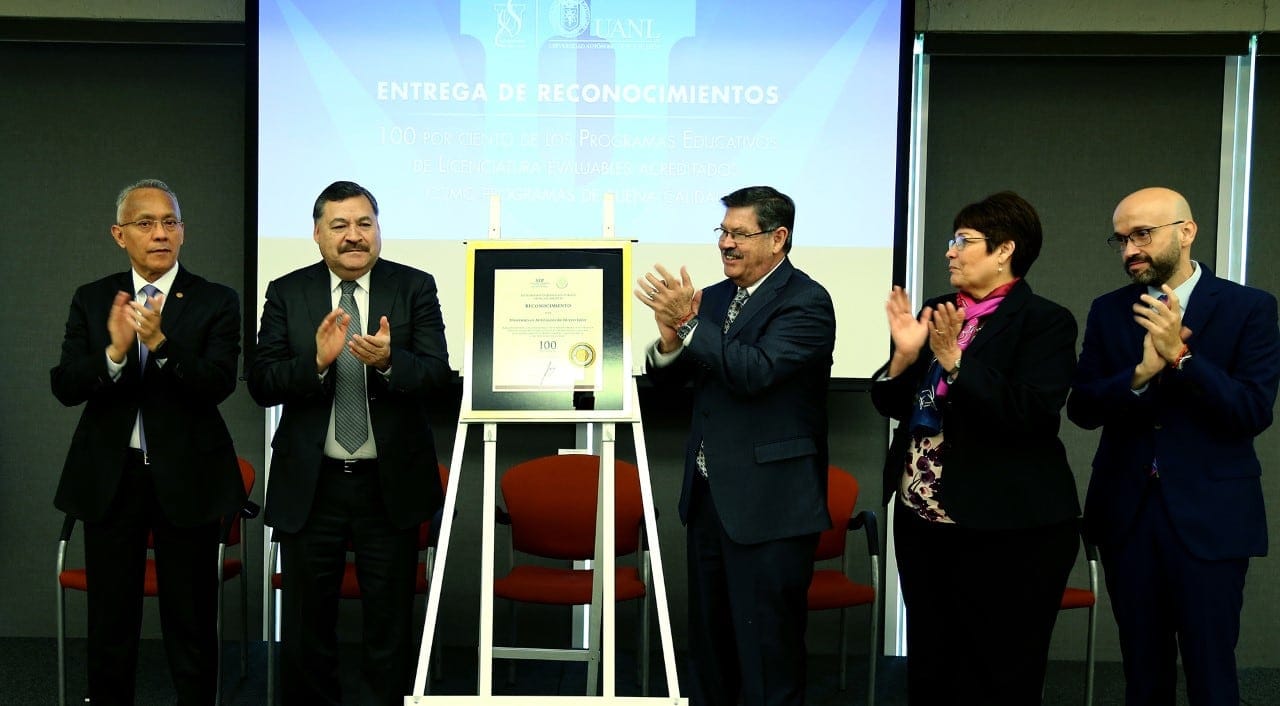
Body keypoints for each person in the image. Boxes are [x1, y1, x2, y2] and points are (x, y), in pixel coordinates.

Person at [1067, 186, 1280, 705]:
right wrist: (1139, 374)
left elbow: (1251, 411)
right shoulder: (1109, 310)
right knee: (1143, 673)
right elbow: (1083, 408)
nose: (1130, 250)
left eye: (1142, 234)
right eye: (1120, 240)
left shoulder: (1248, 308)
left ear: (1187, 232)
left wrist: (1182, 359)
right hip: (1128, 517)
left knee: (1212, 673)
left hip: (1212, 517)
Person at [871, 191, 1080, 704]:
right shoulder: (938, 313)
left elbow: (1031, 413)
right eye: (951, 240)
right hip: (924, 521)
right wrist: (903, 358)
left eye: (963, 241)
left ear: (1005, 250)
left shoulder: (1044, 321)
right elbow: (894, 403)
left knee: (999, 667)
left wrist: (956, 364)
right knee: (932, 660)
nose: (950, 252)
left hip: (1007, 526)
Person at [247, 181, 452, 705]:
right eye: (340, 226)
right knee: (306, 629)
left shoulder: (415, 287)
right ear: (317, 234)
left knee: (388, 627)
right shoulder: (287, 292)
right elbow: (262, 383)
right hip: (311, 489)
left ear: (378, 230)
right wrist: (314, 362)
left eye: (364, 224)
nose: (354, 236)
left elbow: (437, 378)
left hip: (389, 487)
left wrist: (388, 362)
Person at [635, 185, 834, 706]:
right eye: (722, 231)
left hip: (771, 503)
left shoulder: (806, 301)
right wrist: (669, 344)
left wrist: (688, 324)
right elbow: (671, 384)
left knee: (767, 656)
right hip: (708, 499)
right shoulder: (713, 297)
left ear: (778, 238)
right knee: (709, 650)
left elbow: (756, 373)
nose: (725, 244)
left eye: (739, 233)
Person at [51, 179, 245, 705]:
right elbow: (65, 385)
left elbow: (218, 383)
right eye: (146, 223)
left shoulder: (215, 300)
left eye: (171, 222)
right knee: (111, 622)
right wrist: (113, 356)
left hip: (190, 479)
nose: (161, 233)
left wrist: (160, 343)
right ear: (119, 234)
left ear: (182, 232)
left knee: (193, 622)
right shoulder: (94, 299)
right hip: (113, 480)